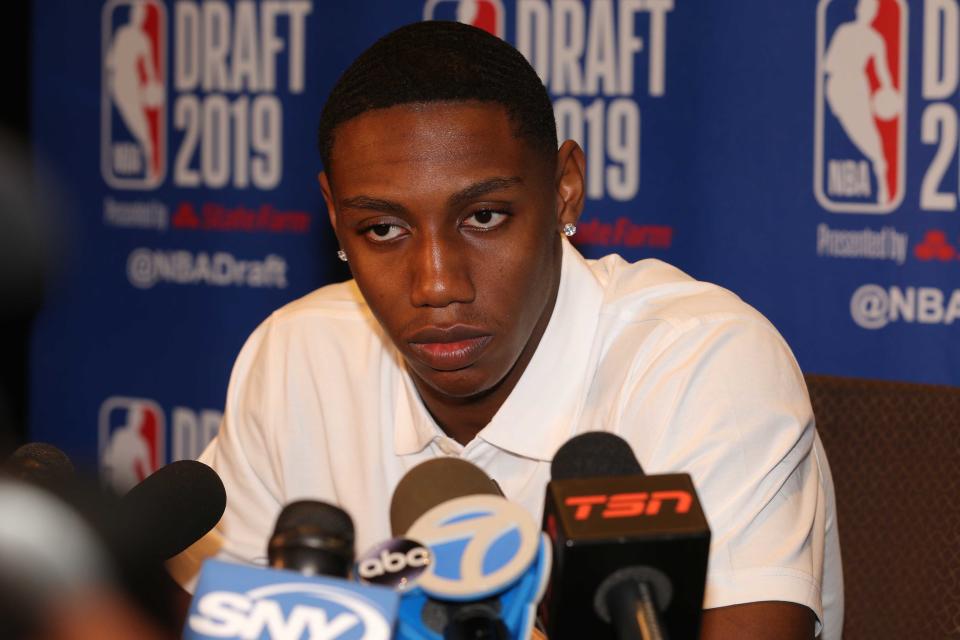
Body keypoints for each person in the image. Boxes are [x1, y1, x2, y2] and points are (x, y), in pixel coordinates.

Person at [169, 21, 842, 639]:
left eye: (483, 216)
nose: (436, 283)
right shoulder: (299, 355)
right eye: (382, 229)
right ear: (335, 217)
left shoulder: (702, 365)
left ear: (564, 190)